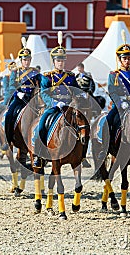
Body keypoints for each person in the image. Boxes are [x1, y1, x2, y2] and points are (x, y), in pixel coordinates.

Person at [33, 32, 82, 168]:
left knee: (84, 126)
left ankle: (81, 154)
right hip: (53, 108)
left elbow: (76, 90)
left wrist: (80, 96)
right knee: (41, 126)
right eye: (58, 61)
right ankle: (39, 154)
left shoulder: (70, 77)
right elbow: (44, 94)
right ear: (53, 61)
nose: (61, 63)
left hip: (69, 107)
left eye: (63, 61)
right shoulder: (47, 77)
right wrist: (55, 103)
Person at [4, 37, 41, 147]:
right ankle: (8, 138)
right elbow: (11, 86)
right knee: (9, 114)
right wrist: (17, 92)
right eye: (25, 60)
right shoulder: (16, 72)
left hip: (32, 98)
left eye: (28, 59)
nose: (27, 62)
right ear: (21, 60)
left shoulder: (35, 71)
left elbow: (40, 84)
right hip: (20, 99)